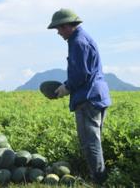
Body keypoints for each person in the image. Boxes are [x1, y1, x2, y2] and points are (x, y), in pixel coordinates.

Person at [48, 9, 111, 184]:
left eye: (59, 29)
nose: (58, 33)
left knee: (90, 143)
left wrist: (66, 87)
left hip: (88, 98)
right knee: (94, 141)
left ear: (67, 26)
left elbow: (81, 73)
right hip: (96, 95)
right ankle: (100, 177)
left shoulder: (78, 42)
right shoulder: (82, 39)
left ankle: (98, 181)